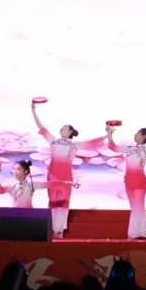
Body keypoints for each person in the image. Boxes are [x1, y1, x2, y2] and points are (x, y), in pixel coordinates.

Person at [30, 97, 107, 238]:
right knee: (53, 202)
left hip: (65, 177)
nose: (62, 128)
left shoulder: (74, 145)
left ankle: (59, 231)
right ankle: (52, 229)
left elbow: (92, 143)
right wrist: (34, 111)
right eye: (62, 127)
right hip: (52, 175)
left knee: (63, 203)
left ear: (70, 132)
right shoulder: (53, 141)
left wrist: (107, 135)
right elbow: (41, 127)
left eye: (65, 127)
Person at [0, 159, 78, 209]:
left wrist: (70, 183)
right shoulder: (12, 187)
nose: (15, 172)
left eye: (18, 169)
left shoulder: (31, 185)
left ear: (25, 171)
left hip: (30, 217)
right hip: (15, 217)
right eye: (14, 169)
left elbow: (52, 184)